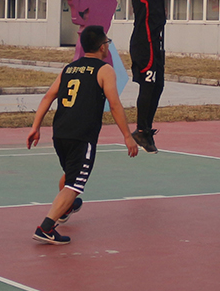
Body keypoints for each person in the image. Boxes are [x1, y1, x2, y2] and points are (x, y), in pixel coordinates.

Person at [27, 25, 139, 244]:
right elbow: (114, 105)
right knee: (74, 184)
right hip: (82, 134)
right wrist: (127, 136)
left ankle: (67, 207)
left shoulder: (69, 69)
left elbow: (48, 97)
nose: (108, 46)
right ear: (102, 47)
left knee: (71, 175)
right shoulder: (105, 70)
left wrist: (35, 127)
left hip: (60, 132)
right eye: (107, 42)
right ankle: (46, 227)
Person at [120, 0, 175, 154]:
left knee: (158, 85)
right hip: (144, 41)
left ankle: (145, 129)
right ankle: (141, 128)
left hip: (155, 39)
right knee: (148, 84)